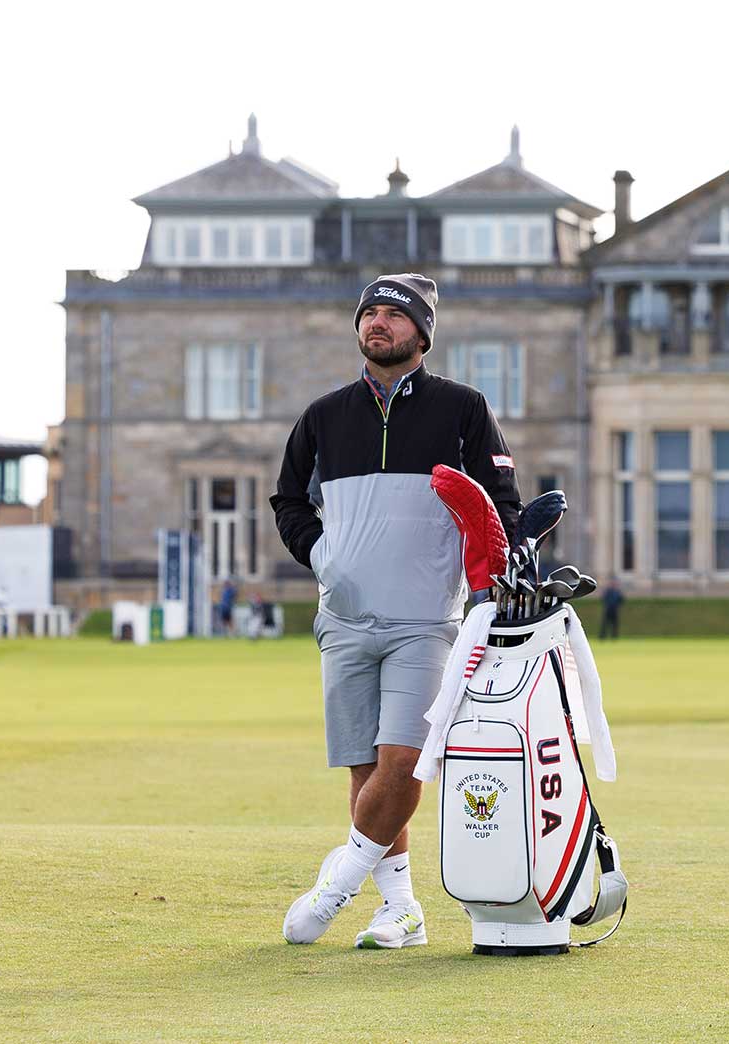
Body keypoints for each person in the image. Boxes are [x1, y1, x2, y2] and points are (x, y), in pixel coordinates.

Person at [270, 273, 523, 949]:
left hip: (425, 620)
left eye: (392, 315)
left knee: (404, 761)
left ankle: (335, 886)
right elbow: (289, 499)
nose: (376, 323)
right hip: (344, 618)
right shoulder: (324, 415)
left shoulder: (463, 409)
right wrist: (324, 559)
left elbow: (502, 502)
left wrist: (507, 561)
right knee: (365, 766)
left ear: (421, 333)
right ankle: (403, 909)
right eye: (369, 313)